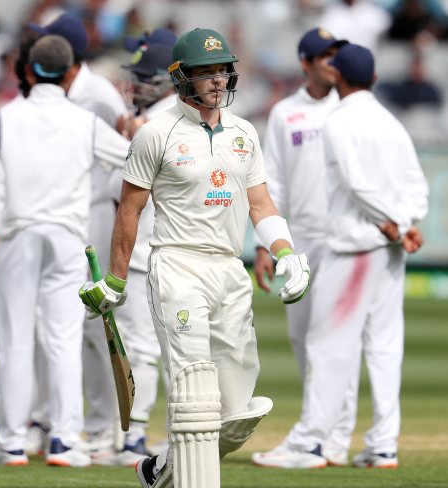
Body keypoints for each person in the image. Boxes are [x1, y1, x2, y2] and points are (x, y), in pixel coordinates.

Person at [80, 28, 310, 488]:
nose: (217, 80)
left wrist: (286, 252)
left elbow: (261, 205)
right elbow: (130, 209)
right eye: (205, 73)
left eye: (222, 71)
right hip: (176, 265)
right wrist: (115, 280)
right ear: (181, 78)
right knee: (193, 391)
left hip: (229, 267)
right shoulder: (155, 133)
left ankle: (161, 470)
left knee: (237, 409)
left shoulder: (244, 133)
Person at [0, 34, 129, 467]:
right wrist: (134, 133)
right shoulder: (83, 120)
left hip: (19, 235)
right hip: (68, 236)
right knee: (63, 338)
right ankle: (65, 441)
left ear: (31, 71)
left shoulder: (7, 116)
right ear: (69, 71)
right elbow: (131, 159)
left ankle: (13, 442)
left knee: (16, 338)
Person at [273, 43, 428, 470]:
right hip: (387, 250)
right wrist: (406, 221)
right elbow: (419, 188)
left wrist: (395, 221)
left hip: (354, 246)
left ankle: (311, 443)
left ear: (338, 77)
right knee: (383, 346)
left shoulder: (339, 121)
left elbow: (357, 185)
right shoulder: (392, 122)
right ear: (375, 78)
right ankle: (382, 444)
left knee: (324, 343)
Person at [251, 28, 359, 469]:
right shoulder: (285, 113)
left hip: (339, 239)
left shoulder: (349, 108)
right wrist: (265, 248)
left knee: (330, 340)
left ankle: (333, 436)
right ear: (305, 63)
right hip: (296, 240)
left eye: (337, 56)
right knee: (301, 337)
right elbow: (271, 181)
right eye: (324, 56)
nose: (332, 63)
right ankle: (327, 429)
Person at [29, 12, 130, 460]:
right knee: (53, 321)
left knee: (94, 325)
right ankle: (51, 418)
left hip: (94, 214)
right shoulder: (57, 92)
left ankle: (101, 426)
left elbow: (128, 158)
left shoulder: (99, 96)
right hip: (62, 215)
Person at [106, 36, 177, 467]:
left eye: (144, 79)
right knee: (173, 350)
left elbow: (127, 195)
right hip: (173, 252)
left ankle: (134, 439)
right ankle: (184, 435)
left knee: (144, 350)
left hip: (144, 252)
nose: (136, 87)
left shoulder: (150, 124)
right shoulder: (190, 118)